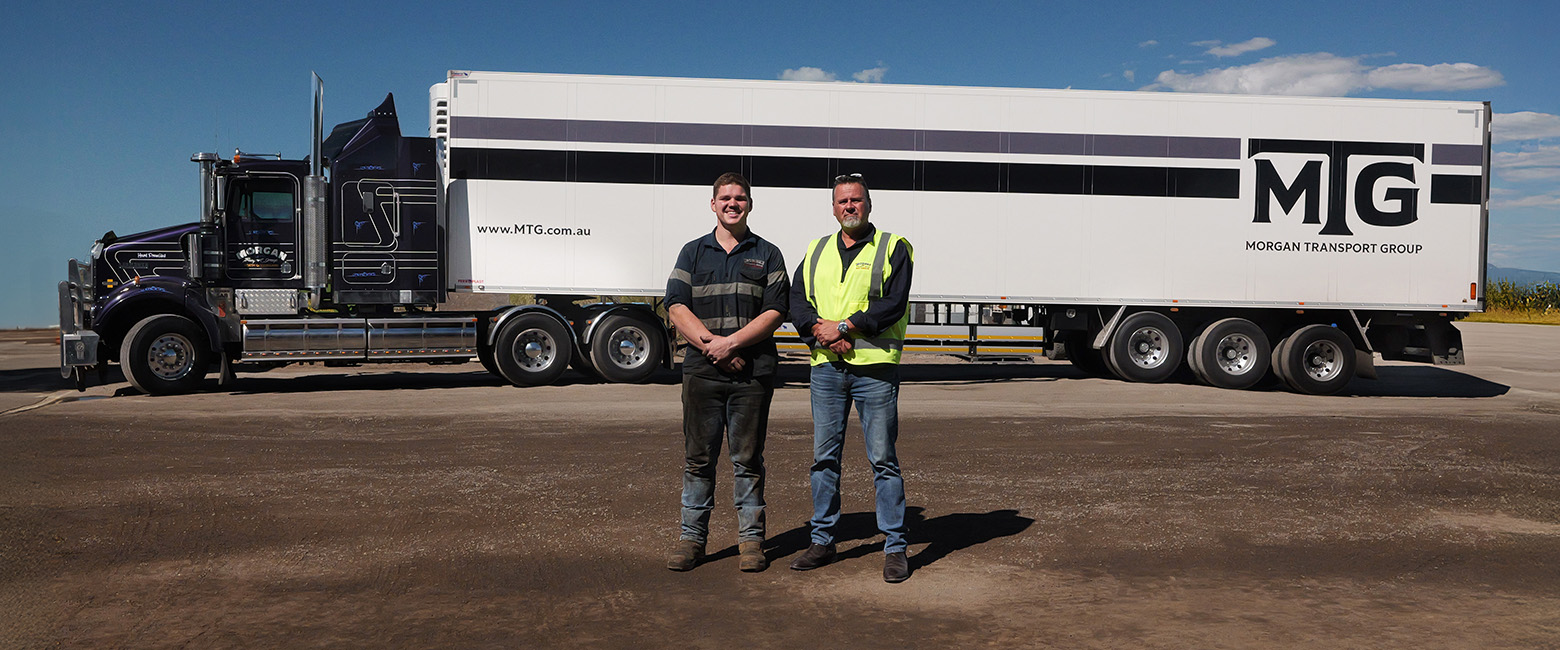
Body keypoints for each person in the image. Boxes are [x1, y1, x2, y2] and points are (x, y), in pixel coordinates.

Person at [788, 174, 915, 583]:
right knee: (824, 459)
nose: (849, 207)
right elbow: (797, 302)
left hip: (874, 370)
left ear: (869, 205)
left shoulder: (894, 248)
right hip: (827, 368)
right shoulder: (816, 249)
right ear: (833, 207)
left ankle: (895, 546)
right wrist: (820, 331)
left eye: (856, 200)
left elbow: (891, 305)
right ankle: (822, 541)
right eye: (842, 201)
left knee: (883, 460)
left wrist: (842, 328)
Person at [663, 172, 789, 573]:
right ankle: (692, 540)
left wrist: (731, 344)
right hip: (703, 373)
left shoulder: (767, 254)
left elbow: (774, 312)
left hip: (752, 375)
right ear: (713, 204)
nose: (732, 204)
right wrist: (712, 347)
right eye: (725, 198)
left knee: (747, 459)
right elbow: (676, 306)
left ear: (749, 204)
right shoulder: (692, 252)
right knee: (698, 460)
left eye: (740, 198)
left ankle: (751, 542)